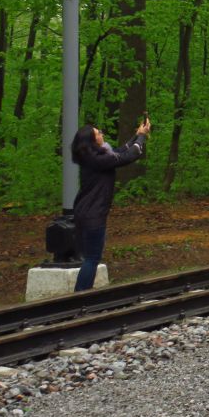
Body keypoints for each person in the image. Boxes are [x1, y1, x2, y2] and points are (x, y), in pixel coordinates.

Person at [71, 115, 151, 292]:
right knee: (92, 258)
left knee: (90, 258)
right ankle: (79, 298)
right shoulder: (99, 161)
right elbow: (129, 156)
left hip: (85, 212)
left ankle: (79, 297)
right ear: (93, 140)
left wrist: (137, 134)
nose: (101, 133)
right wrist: (142, 137)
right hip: (93, 215)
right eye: (98, 133)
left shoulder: (95, 158)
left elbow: (121, 151)